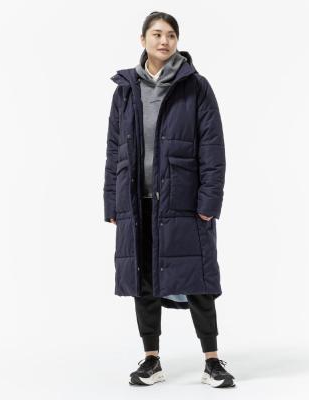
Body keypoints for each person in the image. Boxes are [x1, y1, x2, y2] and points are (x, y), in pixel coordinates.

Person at [103, 11, 235, 388]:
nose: (164, 41)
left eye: (171, 35)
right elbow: (114, 149)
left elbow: (212, 148)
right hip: (136, 201)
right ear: (143, 39)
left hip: (184, 202)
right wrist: (112, 201)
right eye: (157, 34)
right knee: (143, 280)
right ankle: (151, 360)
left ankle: (212, 361)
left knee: (199, 279)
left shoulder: (196, 86)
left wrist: (209, 202)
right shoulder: (125, 90)